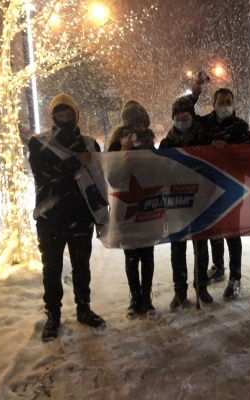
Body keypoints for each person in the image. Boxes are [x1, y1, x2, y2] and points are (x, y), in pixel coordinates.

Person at [28, 93, 106, 341]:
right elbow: (43, 176)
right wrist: (75, 162)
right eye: (59, 116)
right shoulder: (39, 143)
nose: (64, 120)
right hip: (50, 217)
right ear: (52, 118)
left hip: (81, 215)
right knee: (52, 269)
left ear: (76, 115)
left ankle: (84, 308)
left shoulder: (90, 143)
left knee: (82, 266)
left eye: (68, 115)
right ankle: (53, 315)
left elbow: (99, 178)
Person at [188, 79, 250, 299]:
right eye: (221, 101)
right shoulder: (204, 124)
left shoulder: (241, 127)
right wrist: (193, 96)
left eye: (228, 101)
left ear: (234, 104)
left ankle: (235, 277)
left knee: (232, 233)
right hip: (208, 186)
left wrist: (229, 148)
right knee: (212, 230)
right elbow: (186, 116)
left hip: (233, 187)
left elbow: (249, 154)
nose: (224, 105)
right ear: (213, 104)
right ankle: (218, 267)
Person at [159, 96, 214, 309]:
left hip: (201, 201)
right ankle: (179, 290)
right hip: (177, 203)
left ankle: (202, 286)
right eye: (177, 114)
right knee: (177, 248)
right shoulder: (167, 143)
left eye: (185, 113)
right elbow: (161, 171)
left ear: (192, 115)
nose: (181, 117)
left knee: (201, 246)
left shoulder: (205, 138)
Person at [106, 100, 158, 319]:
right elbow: (112, 178)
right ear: (127, 126)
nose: (141, 128)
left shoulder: (149, 145)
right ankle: (134, 299)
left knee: (147, 254)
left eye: (143, 124)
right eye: (137, 124)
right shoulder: (115, 146)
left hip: (146, 206)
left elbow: (158, 173)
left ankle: (147, 298)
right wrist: (123, 157)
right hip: (126, 207)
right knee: (131, 256)